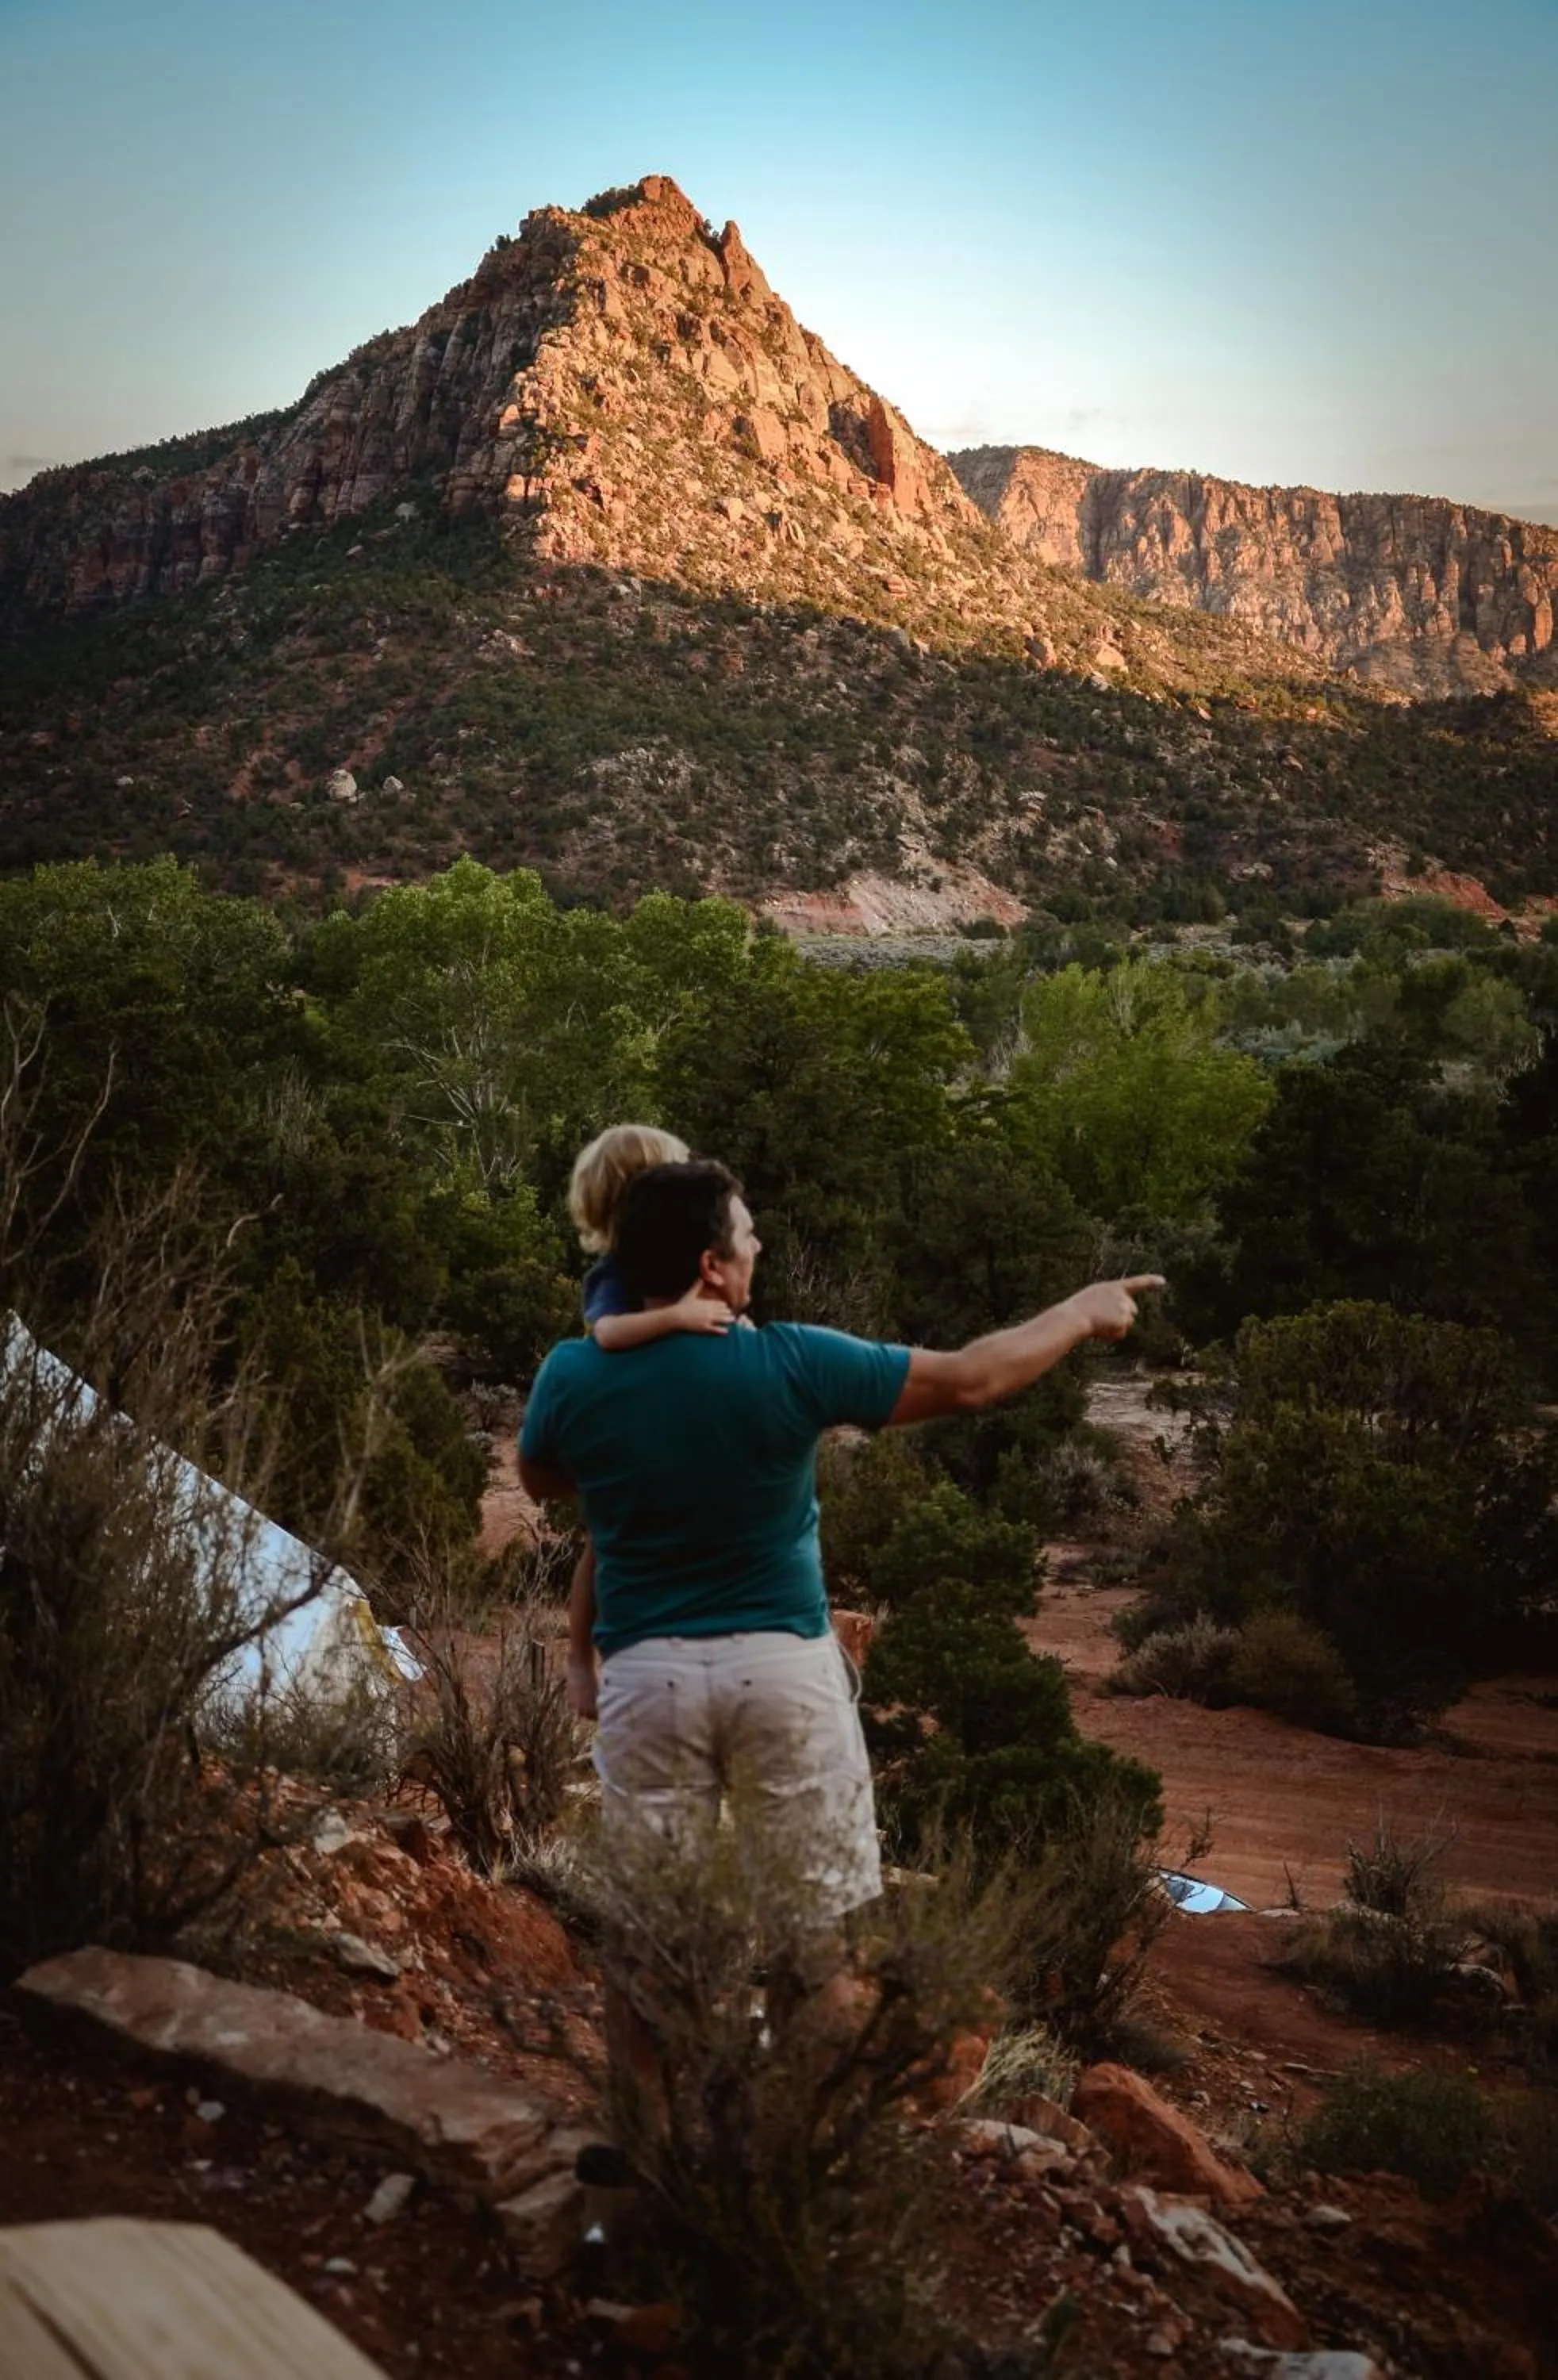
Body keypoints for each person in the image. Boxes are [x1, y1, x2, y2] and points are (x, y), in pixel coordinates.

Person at [519, 1157, 1162, 1925]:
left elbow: (542, 1482)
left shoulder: (572, 1374)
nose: (757, 1248)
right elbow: (970, 1381)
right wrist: (1081, 1313)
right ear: (712, 1267)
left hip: (648, 1677)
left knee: (651, 1941)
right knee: (814, 1939)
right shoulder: (792, 1359)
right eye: (748, 1237)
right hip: (780, 1668)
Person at [561, 1124, 737, 1722]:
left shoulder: (688, 1264)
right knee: (605, 1541)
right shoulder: (619, 1275)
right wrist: (678, 1319)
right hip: (639, 1417)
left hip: (685, 1415)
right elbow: (608, 1333)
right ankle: (580, 1659)